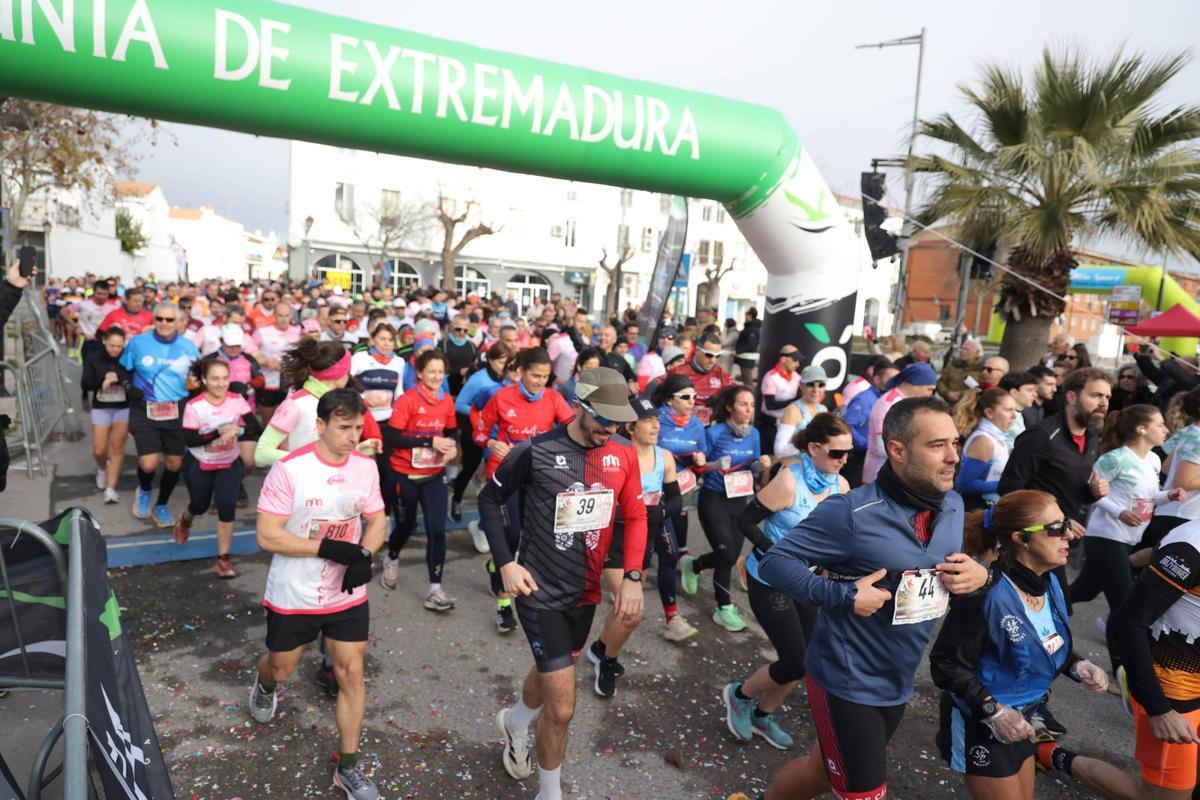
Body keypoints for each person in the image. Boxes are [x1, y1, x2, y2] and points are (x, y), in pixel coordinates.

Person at [738, 397, 988, 800]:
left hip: (899, 675)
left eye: (955, 443)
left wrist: (980, 573)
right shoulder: (851, 511)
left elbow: (949, 568)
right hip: (846, 679)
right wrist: (842, 594)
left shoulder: (954, 505)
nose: (954, 457)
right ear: (897, 450)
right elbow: (776, 562)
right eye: (937, 445)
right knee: (864, 793)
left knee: (819, 771)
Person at [484, 368, 646, 800]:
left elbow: (636, 515)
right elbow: (489, 498)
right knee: (562, 706)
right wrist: (505, 563)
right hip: (540, 592)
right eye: (604, 420)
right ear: (581, 406)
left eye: (618, 422)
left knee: (552, 669)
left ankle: (516, 722)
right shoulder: (535, 450)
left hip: (586, 592)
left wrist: (631, 577)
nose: (610, 430)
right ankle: (550, 793)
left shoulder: (623, 453)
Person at [248, 389, 386, 800]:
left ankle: (348, 767)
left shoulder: (365, 468)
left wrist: (365, 553)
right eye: (344, 428)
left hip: (346, 591)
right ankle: (264, 683)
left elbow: (377, 518)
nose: (353, 436)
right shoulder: (290, 469)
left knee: (351, 673)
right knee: (282, 667)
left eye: (358, 428)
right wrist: (326, 547)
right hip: (295, 591)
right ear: (320, 426)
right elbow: (266, 534)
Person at [930, 489, 1110, 799]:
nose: (1068, 535)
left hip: (1026, 717)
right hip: (982, 723)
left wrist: (1077, 664)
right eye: (1055, 528)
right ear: (1021, 539)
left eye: (1066, 523)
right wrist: (994, 711)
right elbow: (945, 665)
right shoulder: (985, 593)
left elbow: (1042, 640)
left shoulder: (1050, 580)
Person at [723, 413, 851, 751]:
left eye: (848, 452)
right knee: (795, 659)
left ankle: (764, 714)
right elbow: (746, 522)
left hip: (806, 583)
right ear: (813, 448)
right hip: (770, 579)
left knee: (808, 658)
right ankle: (739, 695)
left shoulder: (841, 486)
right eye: (837, 453)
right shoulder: (789, 481)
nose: (844, 460)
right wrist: (778, 553)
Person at [587, 396, 688, 697]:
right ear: (630, 426)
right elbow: (598, 498)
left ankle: (600, 647)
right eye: (647, 419)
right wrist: (634, 511)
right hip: (614, 538)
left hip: (643, 538)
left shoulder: (665, 457)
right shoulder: (613, 454)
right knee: (631, 611)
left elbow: (676, 500)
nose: (655, 424)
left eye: (657, 419)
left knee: (623, 607)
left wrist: (659, 513)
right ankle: (607, 660)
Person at [1072, 404, 1183, 665]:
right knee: (1124, 605)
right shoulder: (1115, 458)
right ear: (1141, 429)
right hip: (1105, 536)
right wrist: (1119, 511)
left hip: (1127, 539)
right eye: (1160, 424)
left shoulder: (1154, 459)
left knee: (1084, 591)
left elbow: (1146, 496)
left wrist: (1168, 495)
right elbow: (1092, 494)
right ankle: (1122, 668)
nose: (1166, 429)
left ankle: (1036, 603)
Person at [475, 347, 575, 633]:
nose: (540, 382)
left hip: (537, 478)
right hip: (505, 477)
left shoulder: (554, 398)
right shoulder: (502, 398)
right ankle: (504, 607)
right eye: (535, 375)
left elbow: (571, 428)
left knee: (530, 539)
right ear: (521, 372)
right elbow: (479, 432)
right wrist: (491, 444)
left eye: (545, 376)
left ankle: (511, 576)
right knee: (511, 535)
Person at [680, 384, 771, 632]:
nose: (749, 409)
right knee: (728, 553)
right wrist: (712, 465)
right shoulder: (715, 432)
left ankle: (694, 565)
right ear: (730, 407)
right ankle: (724, 606)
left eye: (752, 405)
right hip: (714, 498)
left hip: (740, 499)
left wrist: (762, 464)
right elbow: (700, 467)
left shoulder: (754, 434)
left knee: (728, 557)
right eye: (743, 404)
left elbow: (752, 467)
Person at [379, 349, 460, 612]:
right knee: (405, 526)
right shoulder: (407, 401)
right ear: (420, 373)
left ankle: (435, 589)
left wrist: (452, 447)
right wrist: (429, 440)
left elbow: (451, 431)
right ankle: (391, 557)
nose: (436, 376)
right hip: (404, 474)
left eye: (440, 371)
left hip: (433, 474)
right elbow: (392, 437)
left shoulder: (446, 400)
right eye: (431, 371)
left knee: (437, 530)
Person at [175, 358, 261, 577]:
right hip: (199, 463)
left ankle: (223, 560)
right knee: (200, 505)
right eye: (215, 379)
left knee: (226, 505)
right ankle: (185, 519)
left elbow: (254, 426)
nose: (221, 384)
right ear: (204, 380)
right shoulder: (195, 405)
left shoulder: (236, 400)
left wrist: (239, 432)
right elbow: (191, 440)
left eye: (225, 378)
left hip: (228, 462)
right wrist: (218, 432)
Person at [120, 302, 200, 528]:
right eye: (160, 319)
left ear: (178, 323)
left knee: (174, 463)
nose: (164, 324)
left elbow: (196, 378)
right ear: (154, 320)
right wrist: (128, 386)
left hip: (175, 409)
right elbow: (123, 368)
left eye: (169, 320)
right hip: (144, 408)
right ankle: (144, 490)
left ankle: (161, 505)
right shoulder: (138, 343)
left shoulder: (188, 347)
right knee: (149, 462)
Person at [452, 342, 513, 539]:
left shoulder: (509, 379)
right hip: (476, 429)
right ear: (491, 361)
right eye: (502, 362)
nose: (505, 366)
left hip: (498, 434)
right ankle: (457, 498)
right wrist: (481, 414)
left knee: (495, 476)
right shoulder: (479, 380)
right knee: (469, 467)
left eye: (508, 363)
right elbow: (460, 403)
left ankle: (486, 523)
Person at [655, 374, 707, 559]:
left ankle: (678, 556)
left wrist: (700, 464)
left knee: (675, 533)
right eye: (685, 397)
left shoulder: (696, 425)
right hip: (655, 486)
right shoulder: (657, 419)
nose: (692, 402)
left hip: (681, 486)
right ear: (669, 400)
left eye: (694, 397)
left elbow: (702, 457)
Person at [862, 362, 939, 483]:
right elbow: (883, 447)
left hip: (894, 473)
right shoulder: (889, 404)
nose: (930, 395)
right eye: (929, 389)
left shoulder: (904, 402)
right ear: (914, 384)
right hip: (880, 476)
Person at [80, 326, 132, 504]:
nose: (115, 350)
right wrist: (102, 381)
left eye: (119, 346)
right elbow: (85, 383)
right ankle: (102, 468)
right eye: (112, 346)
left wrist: (119, 379)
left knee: (117, 448)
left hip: (123, 408)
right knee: (99, 449)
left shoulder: (127, 358)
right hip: (101, 407)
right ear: (105, 342)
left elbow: (134, 379)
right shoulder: (93, 358)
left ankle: (111, 489)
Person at [1145, 387, 1200, 550]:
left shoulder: (1188, 432)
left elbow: (1167, 468)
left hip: (1170, 513)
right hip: (1181, 515)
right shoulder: (1197, 438)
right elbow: (1182, 481)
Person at [955, 388, 1019, 511]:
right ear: (989, 412)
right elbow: (964, 484)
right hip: (976, 510)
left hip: (989, 507)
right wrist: (1006, 485)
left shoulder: (994, 437)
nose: (1014, 416)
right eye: (1008, 410)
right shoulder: (984, 441)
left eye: (1014, 410)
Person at [842, 359, 898, 487]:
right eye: (891, 378)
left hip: (876, 458)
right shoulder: (864, 399)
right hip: (857, 460)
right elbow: (846, 426)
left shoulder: (888, 400)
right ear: (877, 379)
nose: (895, 383)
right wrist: (869, 445)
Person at [252, 301, 301, 428]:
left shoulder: (298, 332)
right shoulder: (262, 331)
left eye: (286, 315)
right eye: (280, 315)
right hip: (268, 381)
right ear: (274, 315)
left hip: (289, 381)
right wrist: (264, 360)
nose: (284, 319)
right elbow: (250, 353)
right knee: (267, 418)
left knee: (285, 418)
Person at [669, 331, 735, 423]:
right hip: (683, 426)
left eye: (717, 356)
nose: (713, 360)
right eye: (709, 355)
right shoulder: (679, 372)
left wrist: (721, 401)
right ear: (697, 350)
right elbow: (664, 402)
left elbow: (737, 396)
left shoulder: (721, 374)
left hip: (711, 428)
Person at [773, 365, 828, 458]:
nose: (816, 390)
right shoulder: (793, 410)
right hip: (796, 466)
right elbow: (779, 450)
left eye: (821, 385)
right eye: (811, 384)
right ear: (801, 385)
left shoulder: (824, 410)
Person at [758, 346, 802, 452]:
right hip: (771, 425)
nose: (797, 364)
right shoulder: (771, 377)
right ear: (783, 359)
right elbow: (770, 405)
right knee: (770, 457)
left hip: (790, 425)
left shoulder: (797, 377)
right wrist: (794, 401)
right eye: (795, 360)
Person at [937, 337, 984, 405]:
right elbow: (941, 382)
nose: (963, 351)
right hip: (948, 404)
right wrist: (946, 393)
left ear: (977, 353)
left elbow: (979, 389)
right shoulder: (953, 364)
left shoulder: (983, 368)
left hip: (969, 406)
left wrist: (960, 394)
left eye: (967, 350)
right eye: (962, 348)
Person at [997, 370, 1038, 448]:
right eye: (1030, 390)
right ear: (1014, 392)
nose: (1035, 395)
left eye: (1035, 391)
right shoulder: (1001, 417)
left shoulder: (1019, 414)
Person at [441, 314, 477, 395]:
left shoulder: (472, 346)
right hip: (446, 388)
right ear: (451, 327)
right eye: (458, 329)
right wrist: (457, 371)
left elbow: (476, 366)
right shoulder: (443, 344)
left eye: (465, 330)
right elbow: (437, 366)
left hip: (465, 390)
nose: (461, 333)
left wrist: (468, 372)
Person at [733, 306, 761, 384]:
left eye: (746, 314)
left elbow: (751, 345)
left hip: (747, 359)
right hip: (744, 358)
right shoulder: (750, 327)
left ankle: (750, 394)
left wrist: (738, 351)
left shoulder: (752, 329)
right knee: (745, 378)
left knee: (747, 379)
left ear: (750, 315)